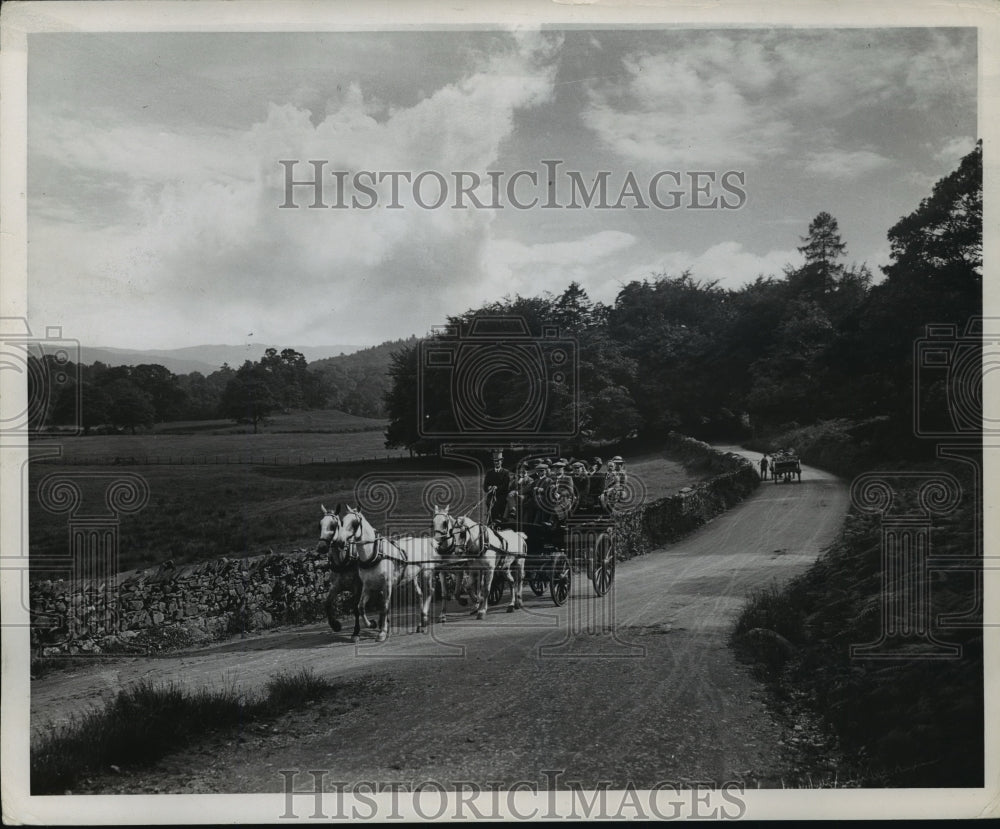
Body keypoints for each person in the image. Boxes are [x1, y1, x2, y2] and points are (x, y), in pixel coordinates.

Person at [483, 449, 512, 526]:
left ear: (501, 461)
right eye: (495, 461)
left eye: (498, 461)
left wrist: (497, 488)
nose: (496, 463)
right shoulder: (489, 473)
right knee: (490, 511)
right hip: (491, 497)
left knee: (498, 511)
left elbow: (506, 486)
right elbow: (485, 486)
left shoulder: (506, 472)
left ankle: (499, 525)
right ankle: (489, 526)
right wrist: (489, 487)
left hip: (501, 497)